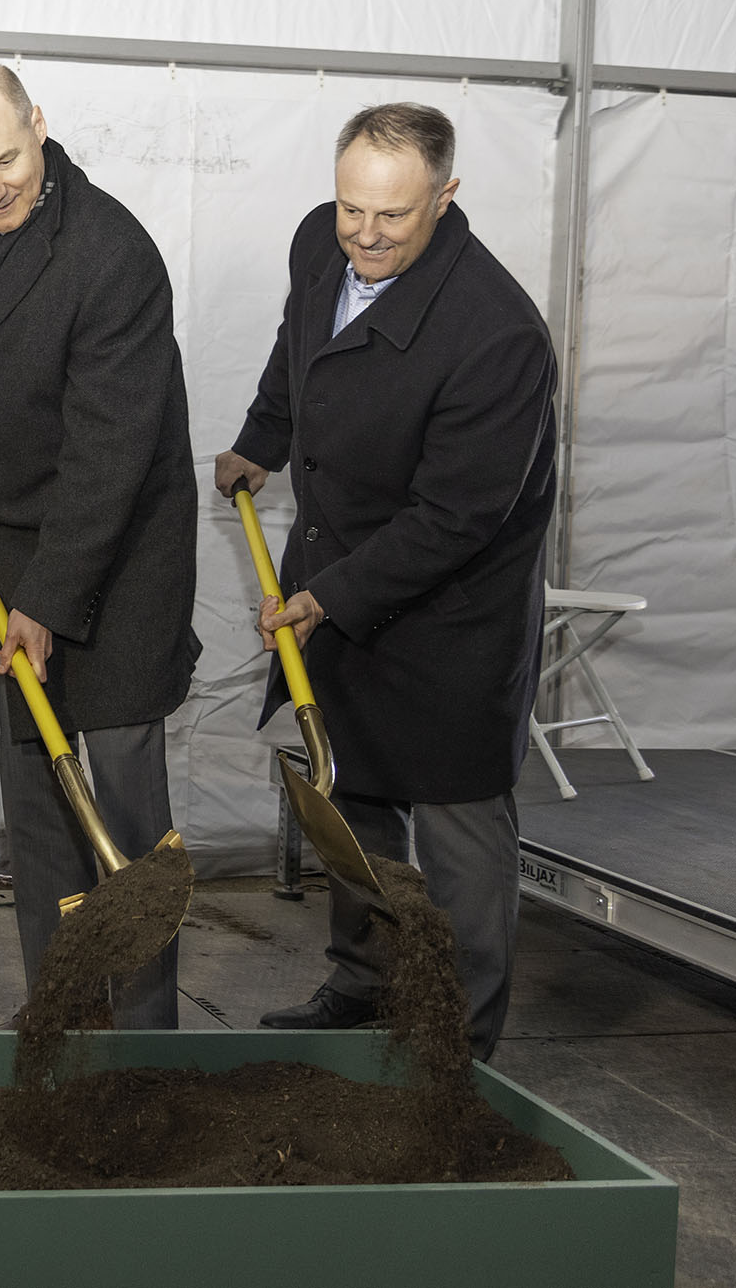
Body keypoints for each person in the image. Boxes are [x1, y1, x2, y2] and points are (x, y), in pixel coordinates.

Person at [215, 102, 556, 1061]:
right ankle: (364, 981)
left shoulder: (497, 334)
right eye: (349, 209)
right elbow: (299, 356)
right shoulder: (319, 249)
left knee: (458, 836)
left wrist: (326, 599)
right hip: (341, 577)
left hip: (452, 619)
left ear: (445, 199)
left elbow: (459, 517)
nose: (364, 235)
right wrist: (259, 440)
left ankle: (459, 1039)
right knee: (349, 795)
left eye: (393, 218)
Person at [0, 63, 198, 1028]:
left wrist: (48, 602)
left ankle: (146, 1041)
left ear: (40, 124)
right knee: (34, 791)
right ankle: (60, 1018)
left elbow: (110, 460)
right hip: (21, 548)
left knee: (123, 802)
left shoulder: (113, 255)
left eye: (6, 160)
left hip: (124, 558)